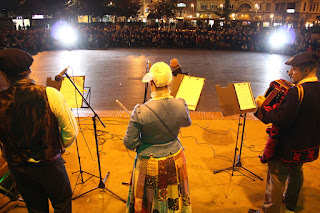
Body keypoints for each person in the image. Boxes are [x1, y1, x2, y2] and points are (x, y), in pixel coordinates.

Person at [0, 48, 78, 213]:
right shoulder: (49, 94)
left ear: (4, 75)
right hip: (50, 164)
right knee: (62, 203)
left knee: (35, 207)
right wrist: (56, 147)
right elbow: (71, 132)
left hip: (18, 167)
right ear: (29, 70)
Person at [249, 51, 320, 213]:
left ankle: (269, 210)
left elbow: (281, 119)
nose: (289, 72)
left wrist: (263, 106)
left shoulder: (297, 91)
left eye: (294, 69)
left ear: (306, 71)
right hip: (306, 145)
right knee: (296, 172)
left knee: (276, 176)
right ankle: (290, 203)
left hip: (288, 145)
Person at [123, 62, 192, 213]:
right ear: (170, 82)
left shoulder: (140, 111)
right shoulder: (181, 104)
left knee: (147, 203)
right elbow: (187, 122)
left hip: (149, 163)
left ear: (152, 83)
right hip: (175, 160)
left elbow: (129, 143)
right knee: (172, 199)